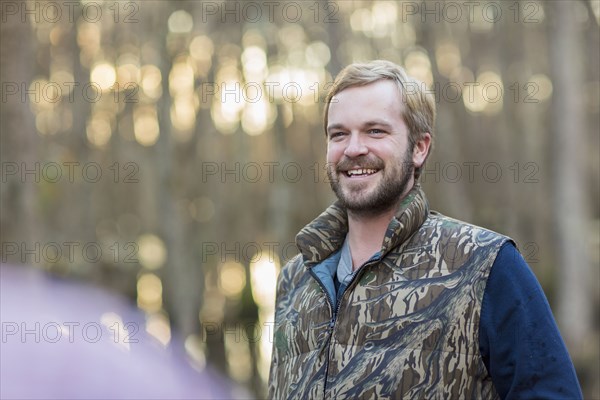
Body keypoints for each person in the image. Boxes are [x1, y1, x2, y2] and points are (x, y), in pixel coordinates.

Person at [268, 60, 582, 399]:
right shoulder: (294, 281)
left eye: (375, 131)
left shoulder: (485, 265)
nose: (354, 148)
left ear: (419, 148)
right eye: (339, 134)